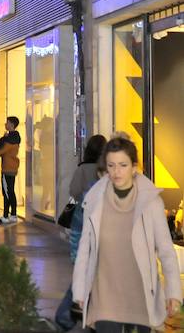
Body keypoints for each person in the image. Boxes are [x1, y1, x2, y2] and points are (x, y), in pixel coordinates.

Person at [73, 138, 182, 332]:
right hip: (104, 295)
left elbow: (166, 250)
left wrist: (173, 292)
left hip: (140, 295)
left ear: (134, 167)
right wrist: (80, 290)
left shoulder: (150, 202)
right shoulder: (95, 200)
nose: (116, 172)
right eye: (111, 165)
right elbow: (85, 249)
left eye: (123, 165)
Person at [55, 134, 107, 331]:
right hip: (92, 239)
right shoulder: (103, 183)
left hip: (84, 232)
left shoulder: (83, 169)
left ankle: (70, 317)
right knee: (87, 279)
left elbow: (74, 191)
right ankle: (68, 316)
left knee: (85, 278)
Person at [0, 116, 21, 222]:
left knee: (7, 192)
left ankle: (7, 215)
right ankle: (12, 214)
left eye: (7, 123)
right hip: (12, 167)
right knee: (10, 191)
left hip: (7, 168)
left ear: (11, 124)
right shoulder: (14, 137)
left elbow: (0, 151)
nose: (5, 124)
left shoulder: (10, 140)